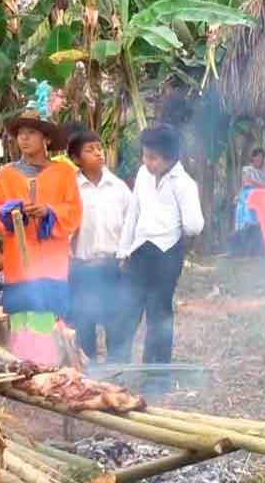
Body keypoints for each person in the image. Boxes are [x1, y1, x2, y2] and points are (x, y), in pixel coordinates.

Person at [0, 109, 82, 365]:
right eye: (20, 134)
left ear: (46, 139)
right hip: (19, 258)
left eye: (31, 133)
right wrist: (10, 212)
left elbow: (74, 211)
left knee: (47, 309)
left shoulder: (64, 173)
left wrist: (49, 212)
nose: (24, 139)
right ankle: (24, 367)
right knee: (23, 311)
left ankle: (50, 365)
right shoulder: (7, 173)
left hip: (52, 259)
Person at [118, 124, 203, 365]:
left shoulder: (184, 184)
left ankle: (156, 372)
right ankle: (120, 365)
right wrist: (124, 251)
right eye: (145, 155)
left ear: (170, 158)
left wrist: (177, 226)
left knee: (159, 314)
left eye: (153, 158)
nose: (147, 162)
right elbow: (133, 214)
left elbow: (194, 226)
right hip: (139, 251)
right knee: (128, 309)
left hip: (166, 255)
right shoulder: (144, 175)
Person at [67, 130, 132, 363]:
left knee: (115, 320)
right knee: (84, 322)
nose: (97, 153)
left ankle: (117, 371)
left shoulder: (118, 187)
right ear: (76, 159)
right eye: (89, 149)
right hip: (81, 267)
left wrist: (126, 257)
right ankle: (89, 372)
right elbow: (64, 228)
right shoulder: (70, 188)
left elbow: (129, 224)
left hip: (112, 265)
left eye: (98, 147)